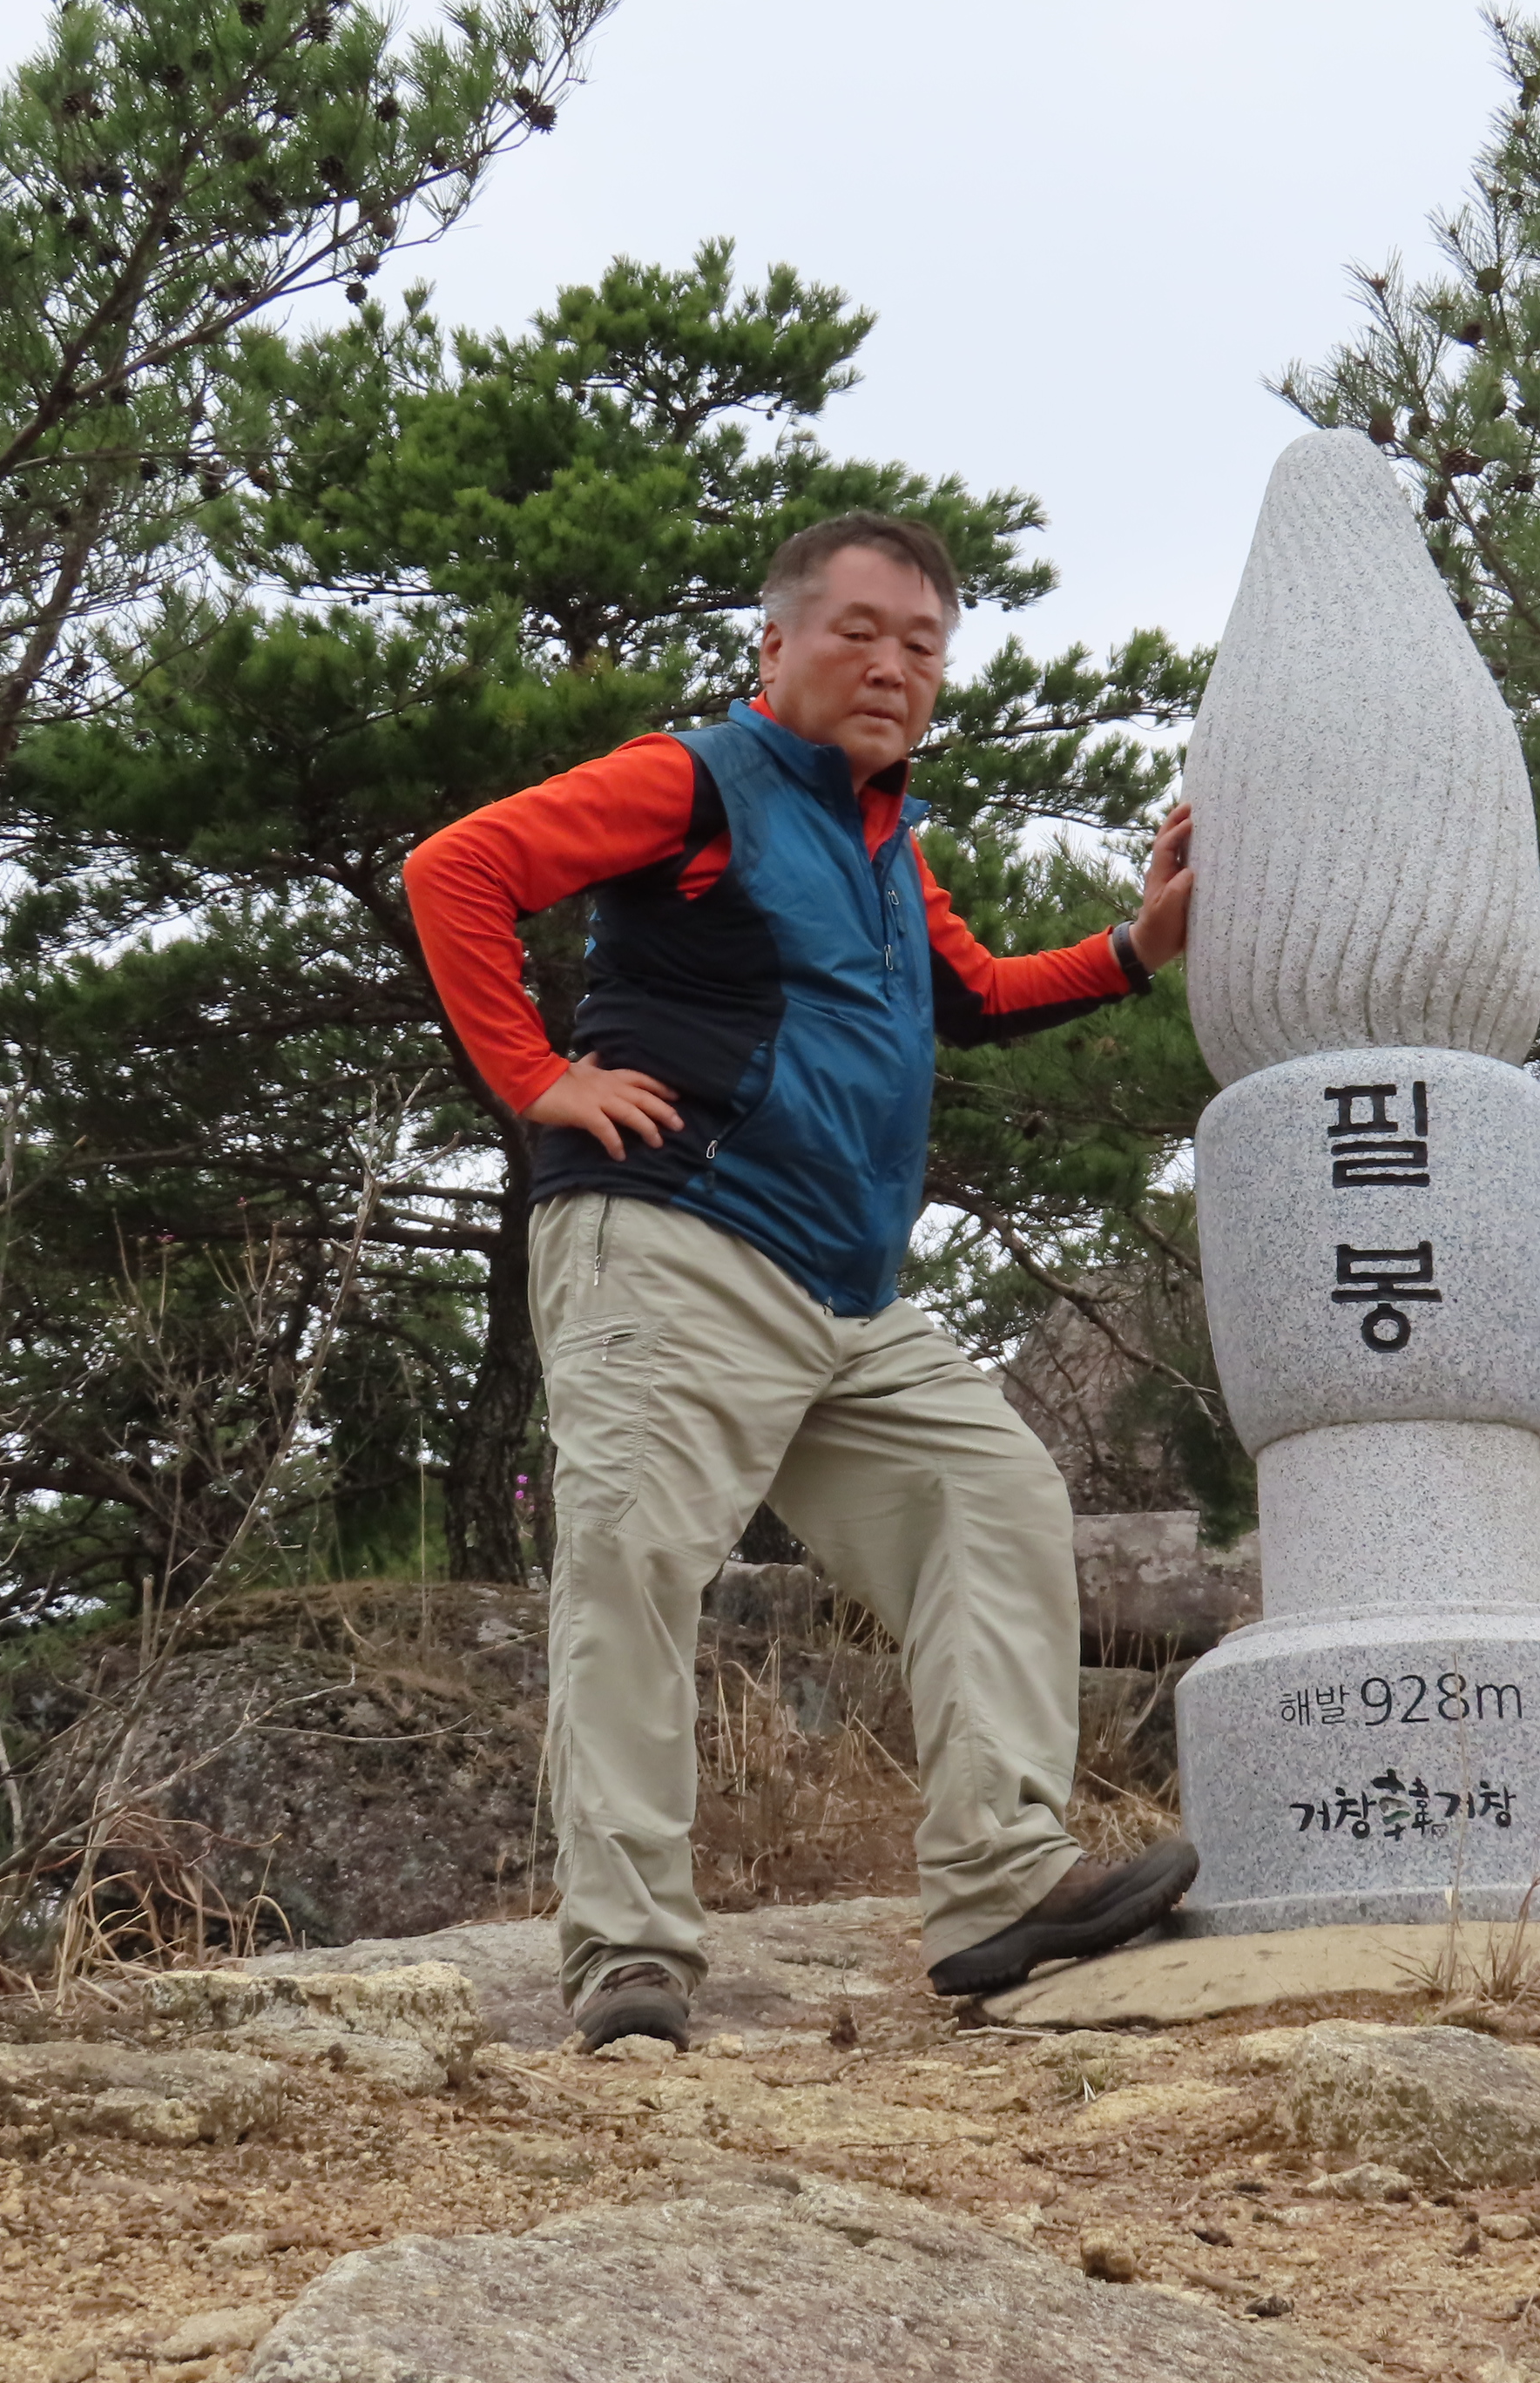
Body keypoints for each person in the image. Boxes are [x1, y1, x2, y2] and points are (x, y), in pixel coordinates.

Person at [405, 512, 1199, 2050]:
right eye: (860, 632)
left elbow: (975, 995)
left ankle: (1003, 1879)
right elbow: (461, 868)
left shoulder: (888, 843)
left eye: (924, 646)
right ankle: (628, 1952)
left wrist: (1134, 948)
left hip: (845, 1292)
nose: (894, 667)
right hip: (679, 1240)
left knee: (994, 1494)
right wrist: (538, 1077)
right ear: (775, 646)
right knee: (636, 1567)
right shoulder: (698, 780)